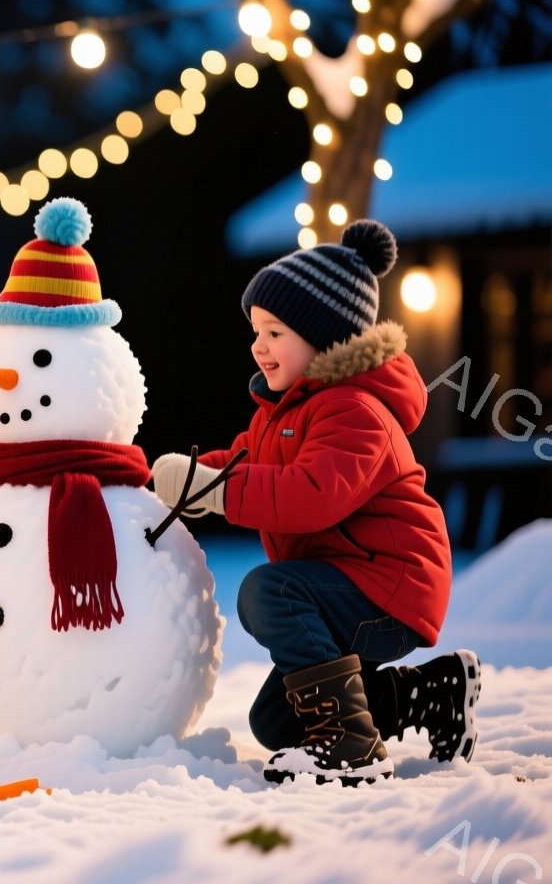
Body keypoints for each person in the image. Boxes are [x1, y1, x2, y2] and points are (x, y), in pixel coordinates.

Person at [152, 219, 480, 786]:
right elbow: (241, 463)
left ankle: (350, 746)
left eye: (275, 332)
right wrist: (154, 479)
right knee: (277, 721)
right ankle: (429, 693)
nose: (259, 345)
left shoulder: (356, 410)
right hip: (352, 581)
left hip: (391, 585)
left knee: (265, 591)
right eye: (256, 331)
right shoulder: (285, 413)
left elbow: (311, 496)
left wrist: (216, 493)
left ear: (325, 338)